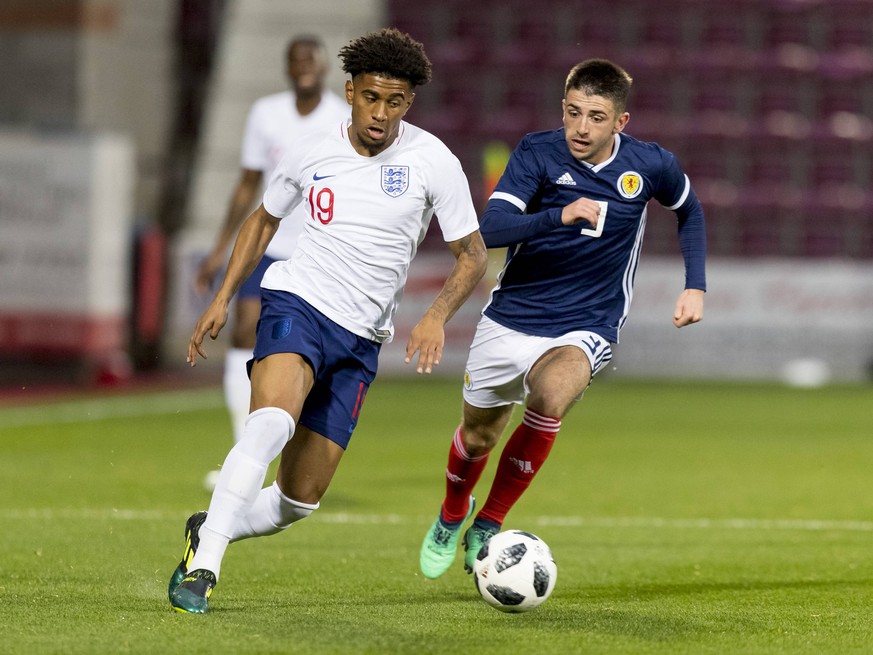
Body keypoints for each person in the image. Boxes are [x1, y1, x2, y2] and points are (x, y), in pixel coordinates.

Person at [168, 28, 488, 614]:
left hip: (360, 338)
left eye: (394, 102)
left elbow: (473, 255)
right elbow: (263, 220)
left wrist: (437, 316)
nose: (380, 113)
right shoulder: (314, 150)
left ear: (408, 103)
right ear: (350, 91)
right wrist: (223, 296)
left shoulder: (432, 160)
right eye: (371, 98)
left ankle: (209, 526)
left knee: (299, 501)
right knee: (269, 425)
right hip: (297, 303)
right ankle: (203, 568)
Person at [419, 58, 707, 579]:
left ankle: (490, 520)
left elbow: (689, 210)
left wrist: (695, 285)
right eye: (573, 112)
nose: (581, 127)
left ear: (620, 121)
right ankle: (451, 512)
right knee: (478, 434)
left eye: (596, 117)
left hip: (589, 321)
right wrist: (560, 214)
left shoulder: (650, 165)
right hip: (513, 316)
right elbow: (493, 230)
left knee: (552, 396)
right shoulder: (537, 152)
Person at [194, 36, 349, 489]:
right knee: (243, 330)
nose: (304, 67)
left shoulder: (341, 117)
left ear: (323, 69)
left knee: (313, 350)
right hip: (270, 244)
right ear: (287, 67)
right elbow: (247, 185)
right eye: (296, 60)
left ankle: (296, 450)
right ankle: (245, 450)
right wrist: (221, 249)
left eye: (311, 60)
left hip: (318, 251)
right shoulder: (265, 113)